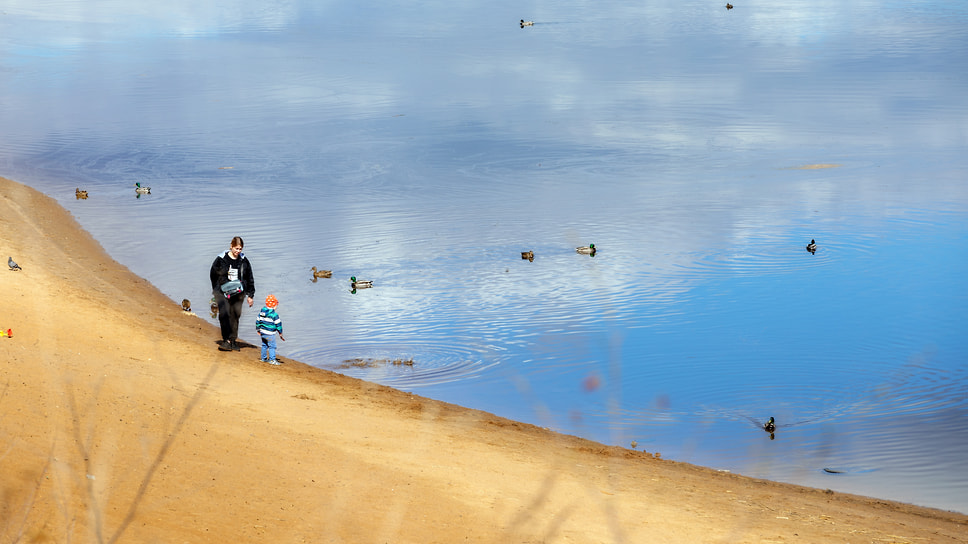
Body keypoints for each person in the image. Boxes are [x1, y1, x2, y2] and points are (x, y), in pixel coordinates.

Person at [209, 236, 255, 351]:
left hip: (238, 293)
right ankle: (226, 340)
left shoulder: (244, 260)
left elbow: (250, 277)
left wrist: (250, 295)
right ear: (231, 246)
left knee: (235, 316)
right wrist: (216, 291)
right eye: (236, 248)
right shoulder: (221, 259)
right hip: (222, 292)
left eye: (240, 249)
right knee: (224, 314)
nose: (238, 251)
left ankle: (233, 341)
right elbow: (213, 275)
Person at [255, 294, 285, 365]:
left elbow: (257, 321)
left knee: (264, 345)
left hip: (263, 332)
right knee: (272, 346)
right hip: (270, 334)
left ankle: (263, 358)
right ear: (273, 305)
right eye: (276, 305)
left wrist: (258, 330)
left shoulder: (261, 313)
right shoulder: (274, 315)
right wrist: (280, 333)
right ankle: (272, 359)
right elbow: (278, 325)